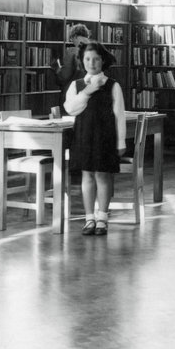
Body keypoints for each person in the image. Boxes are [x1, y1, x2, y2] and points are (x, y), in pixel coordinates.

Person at [63, 42, 126, 236]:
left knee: (102, 175)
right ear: (82, 61)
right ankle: (89, 217)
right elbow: (71, 109)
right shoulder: (76, 85)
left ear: (103, 61)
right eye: (88, 59)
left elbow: (119, 115)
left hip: (105, 137)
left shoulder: (113, 85)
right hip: (83, 136)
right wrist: (87, 92)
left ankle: (102, 218)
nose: (92, 63)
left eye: (96, 59)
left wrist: (121, 142)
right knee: (87, 176)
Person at [52, 23, 92, 105]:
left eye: (72, 38)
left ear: (76, 36)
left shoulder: (72, 52)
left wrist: (57, 69)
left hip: (74, 97)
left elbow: (63, 77)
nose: (72, 41)